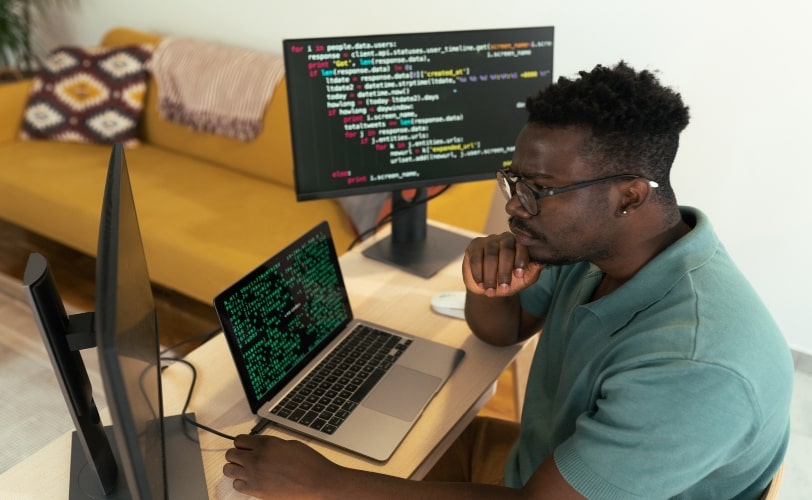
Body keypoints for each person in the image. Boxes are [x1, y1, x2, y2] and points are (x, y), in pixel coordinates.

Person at [222, 61, 794, 498]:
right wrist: (485, 285)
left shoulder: (695, 370)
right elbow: (502, 330)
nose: (515, 209)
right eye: (512, 182)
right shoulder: (601, 251)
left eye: (539, 189)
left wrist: (331, 485)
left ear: (629, 196)